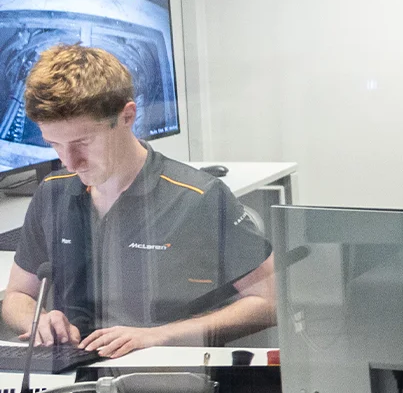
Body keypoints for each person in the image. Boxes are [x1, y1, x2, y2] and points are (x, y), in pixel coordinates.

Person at [1, 44, 275, 358]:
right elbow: (19, 295)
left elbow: (269, 302)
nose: (70, 162)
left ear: (127, 116)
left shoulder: (197, 199)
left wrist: (160, 336)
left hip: (167, 381)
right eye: (55, 145)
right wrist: (36, 320)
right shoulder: (53, 195)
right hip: (76, 382)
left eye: (83, 142)